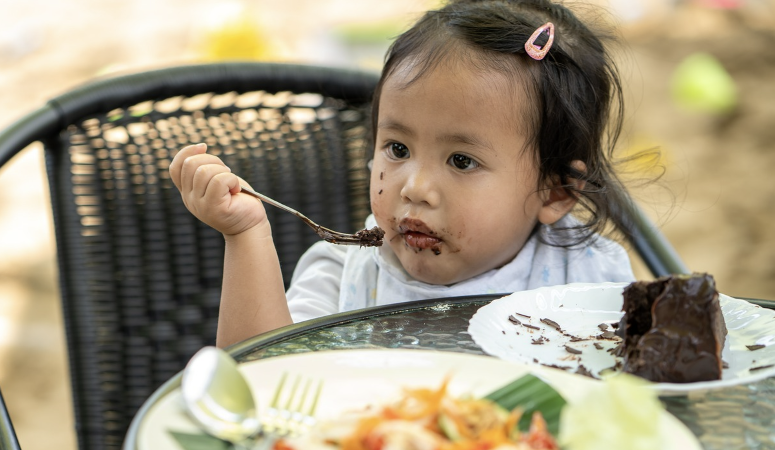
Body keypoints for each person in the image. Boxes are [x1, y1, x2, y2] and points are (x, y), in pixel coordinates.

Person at [170, 0, 638, 348]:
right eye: (397, 148)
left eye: (461, 161)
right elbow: (260, 381)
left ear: (554, 191)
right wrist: (246, 234)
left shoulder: (589, 283)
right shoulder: (345, 276)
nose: (414, 188)